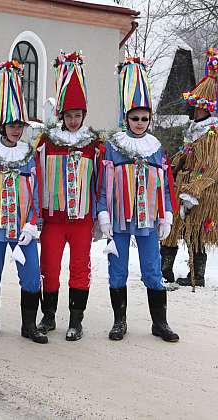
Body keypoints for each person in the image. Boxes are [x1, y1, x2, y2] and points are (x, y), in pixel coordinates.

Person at [98, 57, 179, 342]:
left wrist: (166, 213)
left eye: (145, 119)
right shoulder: (114, 147)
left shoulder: (156, 148)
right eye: (135, 118)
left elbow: (165, 186)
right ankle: (119, 322)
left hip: (147, 218)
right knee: (117, 269)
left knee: (152, 270)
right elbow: (103, 185)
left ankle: (160, 323)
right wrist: (103, 213)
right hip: (119, 219)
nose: (140, 123)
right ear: (126, 118)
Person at [0, 60, 46, 344]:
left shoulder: (29, 153)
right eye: (12, 124)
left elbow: (37, 192)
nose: (16, 130)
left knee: (30, 275)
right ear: (3, 125)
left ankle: (29, 325)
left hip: (23, 230)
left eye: (20, 125)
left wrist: (32, 223)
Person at [35, 51, 104, 341]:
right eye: (69, 115)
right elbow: (35, 178)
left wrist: (100, 216)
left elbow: (101, 182)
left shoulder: (93, 144)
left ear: (83, 116)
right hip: (53, 219)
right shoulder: (47, 142)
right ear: (61, 115)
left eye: (78, 116)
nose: (73, 120)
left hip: (81, 220)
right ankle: (48, 316)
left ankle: (76, 320)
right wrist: (35, 214)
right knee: (48, 268)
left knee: (80, 269)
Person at [160, 48, 218, 288]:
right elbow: (184, 158)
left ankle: (198, 275)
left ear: (210, 109)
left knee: (196, 233)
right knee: (172, 230)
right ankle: (164, 270)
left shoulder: (212, 136)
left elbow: (210, 169)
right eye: (194, 107)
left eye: (200, 108)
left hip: (201, 194)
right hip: (181, 187)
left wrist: (192, 193)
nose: (196, 111)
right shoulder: (193, 132)